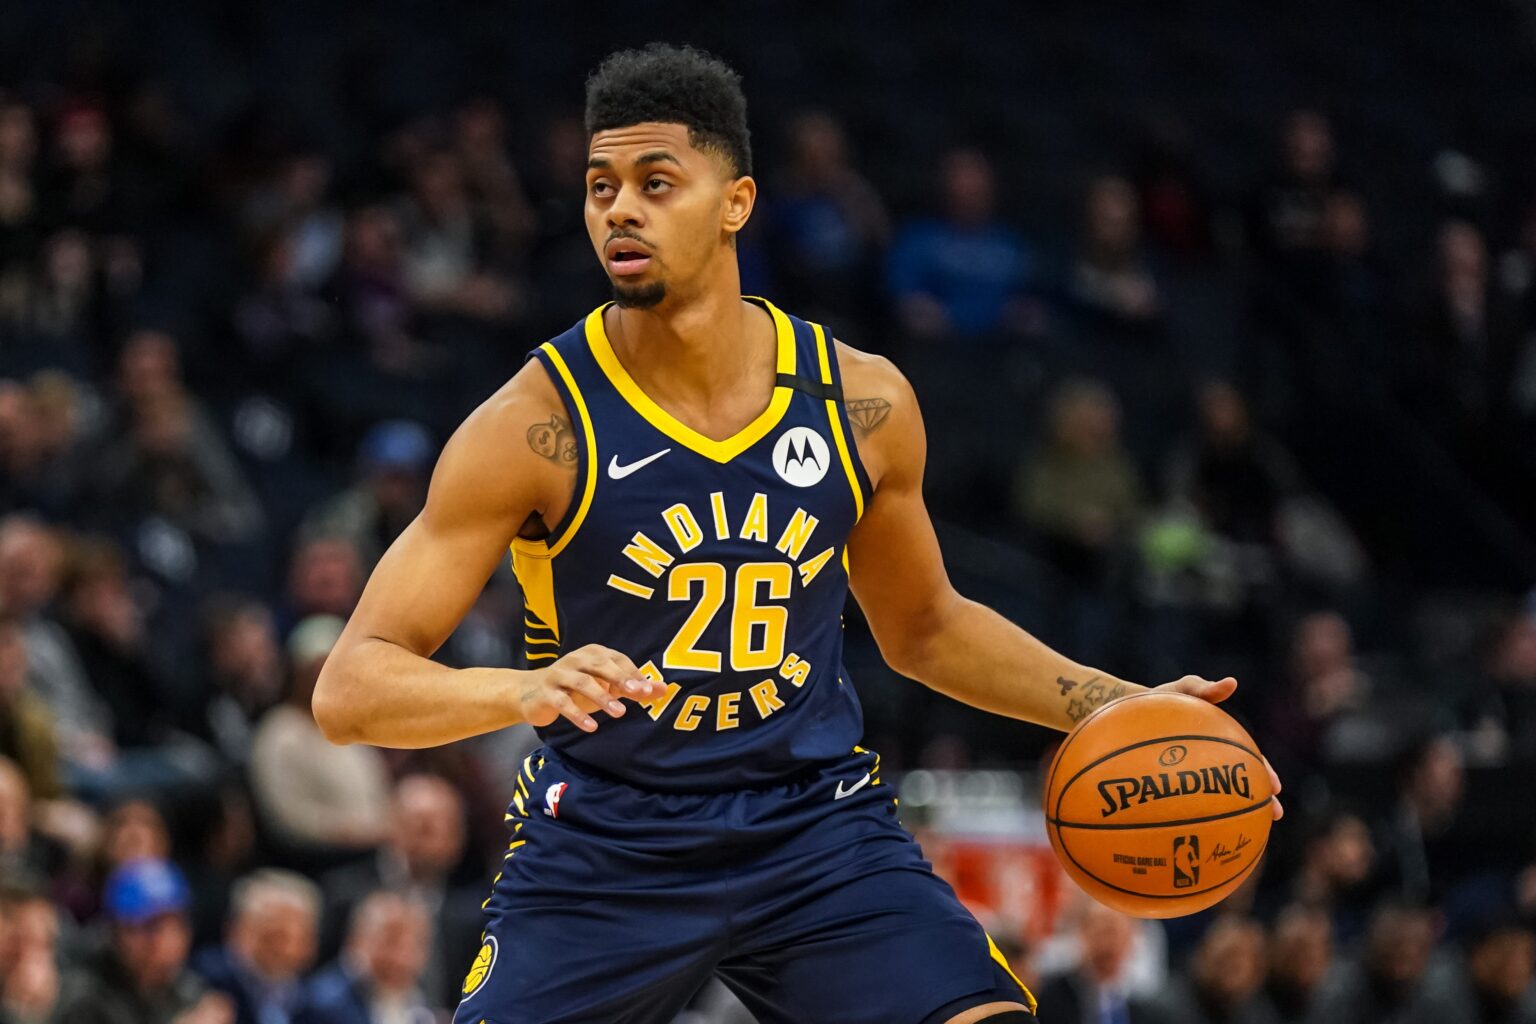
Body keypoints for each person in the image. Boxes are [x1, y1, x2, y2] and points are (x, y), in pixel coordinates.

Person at [313, 43, 1280, 1024]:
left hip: (813, 829)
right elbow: (349, 688)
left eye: (656, 183)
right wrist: (518, 689)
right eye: (601, 187)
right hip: (609, 844)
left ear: (736, 202)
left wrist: (1123, 706)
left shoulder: (861, 401)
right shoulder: (534, 425)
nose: (620, 211)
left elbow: (927, 629)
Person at [56, 859, 233, 1024]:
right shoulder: (84, 996)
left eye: (177, 926)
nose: (168, 941)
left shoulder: (188, 992)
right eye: (153, 927)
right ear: (118, 932)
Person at [190, 870, 320, 1024]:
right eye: (274, 935)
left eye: (298, 938)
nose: (286, 949)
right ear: (238, 929)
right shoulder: (202, 981)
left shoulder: (311, 999)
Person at [298, 893, 433, 1024]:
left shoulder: (418, 1005)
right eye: (391, 942)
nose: (403, 958)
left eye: (416, 944)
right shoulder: (322, 1004)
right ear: (357, 940)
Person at [1031, 901, 1153, 1024]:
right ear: (1084, 934)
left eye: (1117, 933)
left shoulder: (1142, 1003)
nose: (1109, 944)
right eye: (1104, 932)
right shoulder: (1055, 997)